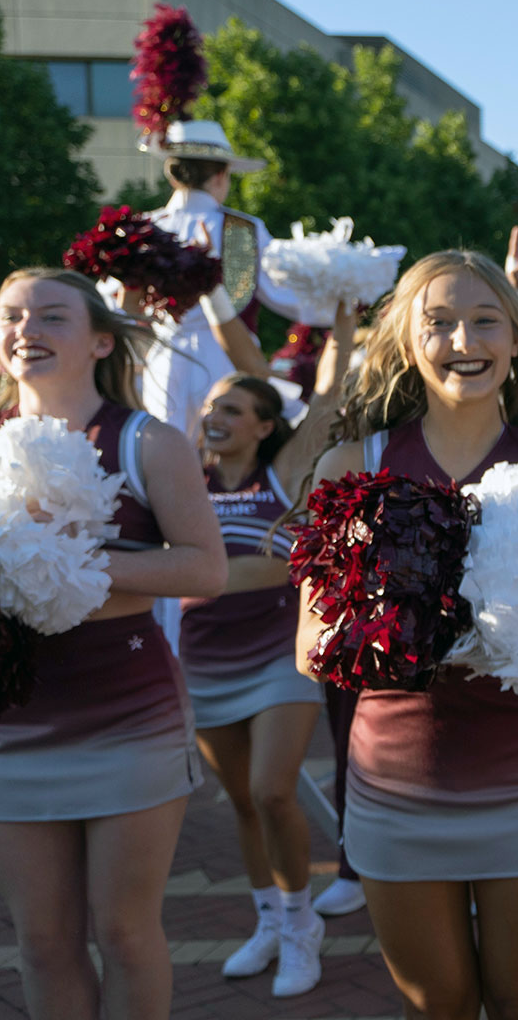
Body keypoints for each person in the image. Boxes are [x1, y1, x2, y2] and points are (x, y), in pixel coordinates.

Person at [291, 251, 518, 1020]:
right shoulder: (352, 465)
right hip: (397, 791)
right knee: (437, 1006)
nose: (463, 339)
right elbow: (310, 650)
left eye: (484, 320)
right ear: (406, 341)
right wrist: (408, 630)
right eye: (438, 322)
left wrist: (495, 632)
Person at [0, 268, 227, 1020]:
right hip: (5, 723)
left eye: (51, 317)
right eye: (12, 318)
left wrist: (68, 566)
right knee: (43, 941)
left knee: (123, 932)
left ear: (97, 340)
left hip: (129, 720)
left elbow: (206, 567)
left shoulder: (145, 440)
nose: (27, 330)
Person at [185, 302, 354, 997]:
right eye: (211, 406)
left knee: (272, 790)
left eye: (235, 407)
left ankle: (299, 927)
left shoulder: (283, 475)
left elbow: (329, 402)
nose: (217, 415)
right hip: (205, 660)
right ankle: (269, 920)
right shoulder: (181, 481)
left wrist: (342, 335)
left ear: (262, 425)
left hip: (276, 656)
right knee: (242, 804)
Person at [126, 119, 305, 434]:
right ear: (221, 175)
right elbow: (286, 297)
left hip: (162, 360)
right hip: (229, 359)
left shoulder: (142, 228)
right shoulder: (243, 229)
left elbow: (119, 305)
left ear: (172, 173)